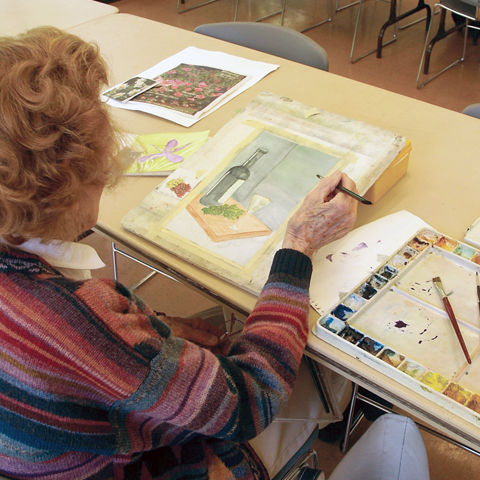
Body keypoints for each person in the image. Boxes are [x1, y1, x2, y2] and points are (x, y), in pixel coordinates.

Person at [0, 27, 429, 480]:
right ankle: (354, 409)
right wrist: (298, 246)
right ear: (69, 181)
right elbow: (251, 399)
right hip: (153, 466)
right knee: (327, 362)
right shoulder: (80, 325)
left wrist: (162, 331)